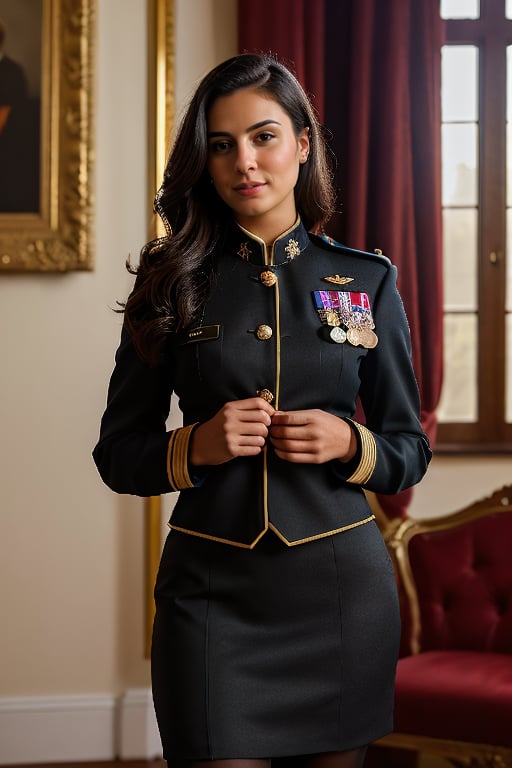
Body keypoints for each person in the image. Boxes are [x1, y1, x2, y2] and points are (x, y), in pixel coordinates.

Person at [93, 53, 431, 768]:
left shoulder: (366, 280)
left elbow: (409, 448)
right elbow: (118, 455)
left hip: (342, 600)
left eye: (264, 136)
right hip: (211, 599)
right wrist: (196, 446)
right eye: (222, 144)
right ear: (205, 161)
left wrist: (350, 441)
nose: (244, 161)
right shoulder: (169, 280)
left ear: (302, 144)